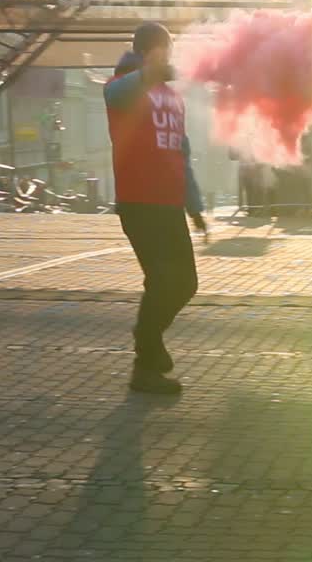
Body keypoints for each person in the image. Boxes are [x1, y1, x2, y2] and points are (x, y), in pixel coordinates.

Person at [106, 23, 207, 395]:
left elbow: (182, 155)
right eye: (166, 50)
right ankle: (146, 363)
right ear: (151, 52)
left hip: (169, 205)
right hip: (139, 202)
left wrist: (194, 205)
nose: (170, 57)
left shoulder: (171, 97)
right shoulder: (125, 86)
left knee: (185, 284)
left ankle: (147, 345)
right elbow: (117, 94)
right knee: (164, 282)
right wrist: (148, 72)